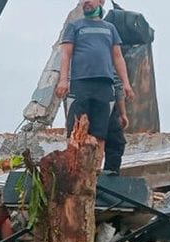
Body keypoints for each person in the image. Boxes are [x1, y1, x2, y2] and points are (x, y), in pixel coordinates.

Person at [55, 0, 135, 162]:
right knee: (76, 130)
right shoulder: (74, 26)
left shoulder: (110, 28)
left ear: (100, 2)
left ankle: (95, 173)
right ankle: (74, 167)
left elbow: (118, 57)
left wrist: (126, 83)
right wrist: (63, 80)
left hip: (104, 85)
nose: (86, 2)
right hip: (80, 83)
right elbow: (65, 54)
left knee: (100, 132)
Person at [103, 75, 128, 175]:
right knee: (115, 142)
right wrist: (123, 113)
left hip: (78, 98)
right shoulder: (108, 59)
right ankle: (109, 179)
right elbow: (116, 82)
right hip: (104, 99)